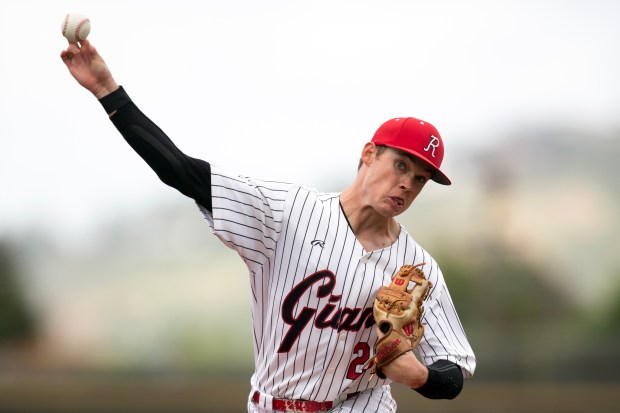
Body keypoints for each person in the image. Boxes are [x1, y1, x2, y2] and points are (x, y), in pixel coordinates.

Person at [61, 39, 476, 413]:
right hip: (270, 404)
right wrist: (107, 92)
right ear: (368, 154)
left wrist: (421, 376)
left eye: (420, 178)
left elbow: (453, 371)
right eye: (400, 165)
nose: (407, 182)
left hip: (361, 405)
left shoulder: (417, 268)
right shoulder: (286, 213)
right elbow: (182, 172)